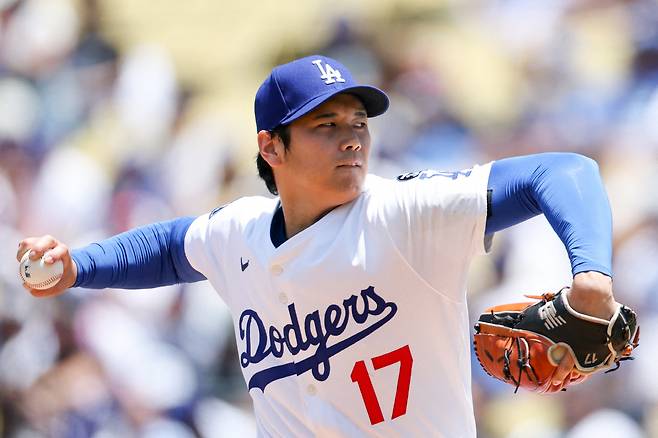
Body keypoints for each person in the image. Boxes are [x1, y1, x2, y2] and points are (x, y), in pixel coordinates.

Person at [17, 55, 618, 437]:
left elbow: (563, 172)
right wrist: (79, 267)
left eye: (358, 123)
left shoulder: (403, 213)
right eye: (324, 126)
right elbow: (171, 248)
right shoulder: (240, 232)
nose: (352, 139)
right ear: (271, 147)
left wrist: (591, 275)